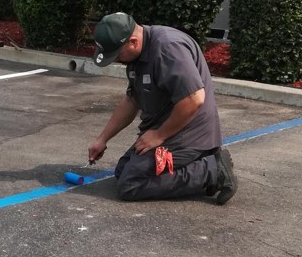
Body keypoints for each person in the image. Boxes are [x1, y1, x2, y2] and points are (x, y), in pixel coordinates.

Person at [87, 12, 237, 204]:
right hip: (168, 128)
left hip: (189, 133)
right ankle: (199, 169)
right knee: (123, 170)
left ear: (133, 42)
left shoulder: (167, 48)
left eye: (116, 54)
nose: (116, 59)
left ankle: (212, 170)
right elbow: (131, 101)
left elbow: (194, 99)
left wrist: (158, 135)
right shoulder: (136, 57)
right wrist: (102, 139)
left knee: (130, 184)